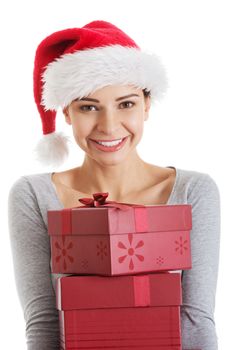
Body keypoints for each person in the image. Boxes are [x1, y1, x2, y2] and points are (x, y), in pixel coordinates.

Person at [7, 20, 221, 350]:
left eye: (126, 104)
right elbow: (43, 323)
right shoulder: (34, 196)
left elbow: (195, 320)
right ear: (66, 112)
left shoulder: (193, 192)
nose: (108, 126)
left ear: (147, 105)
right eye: (89, 107)